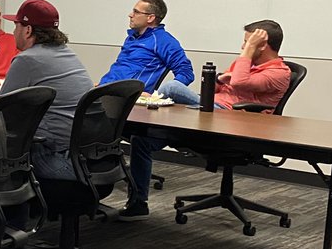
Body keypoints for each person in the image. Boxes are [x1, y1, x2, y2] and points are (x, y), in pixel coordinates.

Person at [119, 20, 291, 221]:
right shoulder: (245, 64)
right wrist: (219, 81)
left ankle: (127, 114)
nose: (243, 47)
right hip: (207, 118)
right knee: (142, 140)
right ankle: (138, 203)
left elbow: (239, 82)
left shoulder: (279, 73)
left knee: (172, 88)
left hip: (235, 126)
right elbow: (214, 91)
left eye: (248, 42)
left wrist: (245, 56)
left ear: (262, 45)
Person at [0, 0, 93, 181]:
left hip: (54, 157)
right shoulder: (68, 53)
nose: (13, 32)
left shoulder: (27, 60)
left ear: (27, 30)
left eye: (15, 25)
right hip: (86, 158)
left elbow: (1, 113)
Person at [100, 0, 193, 93]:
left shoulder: (163, 41)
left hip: (127, 99)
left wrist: (157, 97)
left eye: (136, 12)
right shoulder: (131, 37)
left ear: (150, 18)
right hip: (106, 91)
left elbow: (186, 73)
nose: (130, 15)